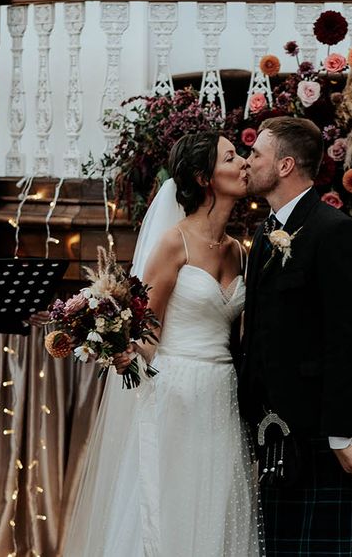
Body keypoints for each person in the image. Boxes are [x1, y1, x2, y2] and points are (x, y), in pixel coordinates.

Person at [63, 131, 261, 556]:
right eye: (231, 157)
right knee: (168, 504)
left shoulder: (239, 252)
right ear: (203, 176)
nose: (244, 162)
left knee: (217, 505)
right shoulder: (175, 242)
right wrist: (127, 354)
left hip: (223, 395)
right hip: (175, 389)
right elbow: (146, 330)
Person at [239, 116, 352, 556]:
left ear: (286, 165)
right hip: (285, 431)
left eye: (257, 153)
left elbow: (349, 340)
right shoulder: (264, 233)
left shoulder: (337, 232)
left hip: (329, 427)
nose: (247, 161)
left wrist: (341, 435)